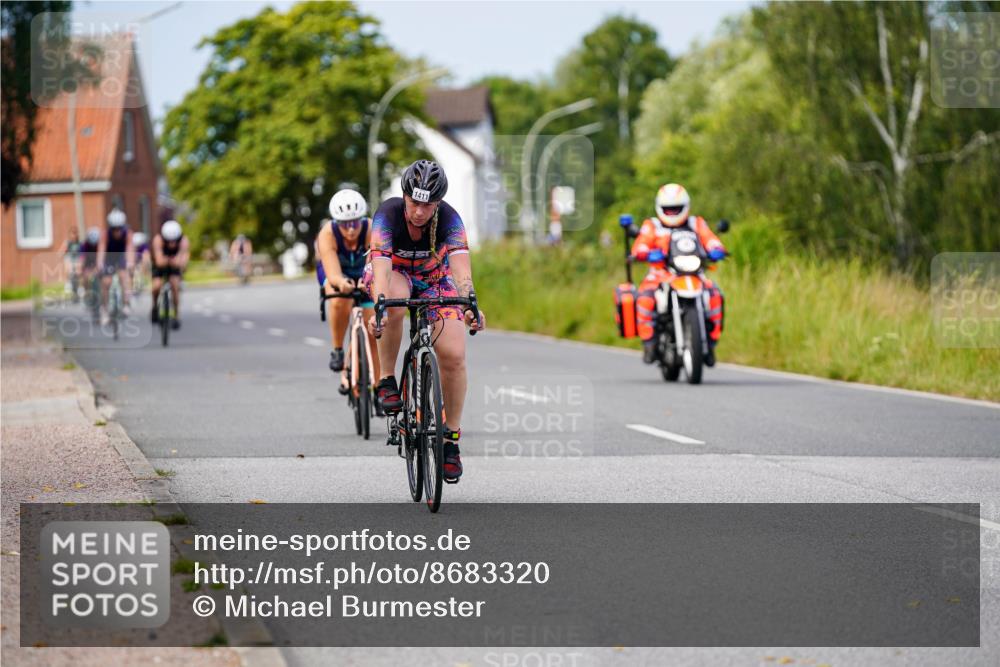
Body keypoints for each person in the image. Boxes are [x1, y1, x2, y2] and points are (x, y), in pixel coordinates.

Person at [364, 160, 485, 481]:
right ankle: (387, 378)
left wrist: (471, 303)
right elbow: (381, 267)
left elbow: (461, 271)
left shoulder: (450, 219)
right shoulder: (387, 216)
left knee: (455, 356)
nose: (419, 211)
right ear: (404, 196)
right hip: (394, 274)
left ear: (438, 203)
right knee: (394, 300)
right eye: (414, 203)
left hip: (435, 278)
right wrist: (379, 306)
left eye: (427, 205)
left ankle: (451, 440)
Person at [631, 183, 727, 366]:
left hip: (693, 273)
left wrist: (717, 249)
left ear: (686, 206)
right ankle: (649, 343)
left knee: (715, 295)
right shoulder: (652, 225)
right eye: (668, 209)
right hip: (661, 274)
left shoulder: (696, 223)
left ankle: (710, 343)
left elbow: (710, 238)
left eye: (676, 209)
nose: (673, 213)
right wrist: (645, 252)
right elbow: (641, 244)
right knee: (645, 297)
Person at [316, 189, 382, 409]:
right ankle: (338, 349)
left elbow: (376, 264)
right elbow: (333, 274)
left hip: (365, 273)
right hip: (336, 270)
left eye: (355, 222)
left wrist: (368, 281)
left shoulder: (372, 228)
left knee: (373, 323)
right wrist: (342, 283)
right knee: (339, 299)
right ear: (336, 222)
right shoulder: (327, 233)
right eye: (345, 224)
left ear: (361, 219)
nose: (351, 229)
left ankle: (379, 384)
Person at [97, 208, 134, 325]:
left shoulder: (128, 233)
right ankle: (104, 309)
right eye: (114, 229)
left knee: (124, 277)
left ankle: (126, 303)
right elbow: (101, 250)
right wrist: (100, 264)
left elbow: (130, 249)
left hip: (121, 256)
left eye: (119, 229)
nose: (117, 232)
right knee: (106, 282)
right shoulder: (105, 234)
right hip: (109, 257)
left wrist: (130, 263)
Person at [150, 220, 190, 330]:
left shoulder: (184, 240)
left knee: (175, 285)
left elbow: (184, 261)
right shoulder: (158, 240)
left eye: (174, 241)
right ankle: (155, 307)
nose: (172, 244)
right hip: (159, 267)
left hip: (173, 267)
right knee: (156, 286)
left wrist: (179, 262)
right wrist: (174, 260)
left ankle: (176, 315)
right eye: (169, 241)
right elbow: (159, 261)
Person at [60, 227, 83, 301]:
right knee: (68, 264)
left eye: (75, 233)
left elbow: (83, 253)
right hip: (69, 259)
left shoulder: (80, 243)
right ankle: (68, 283)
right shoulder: (67, 242)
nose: (74, 235)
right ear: (70, 234)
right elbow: (61, 252)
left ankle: (80, 286)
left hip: (77, 259)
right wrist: (63, 253)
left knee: (79, 268)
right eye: (73, 233)